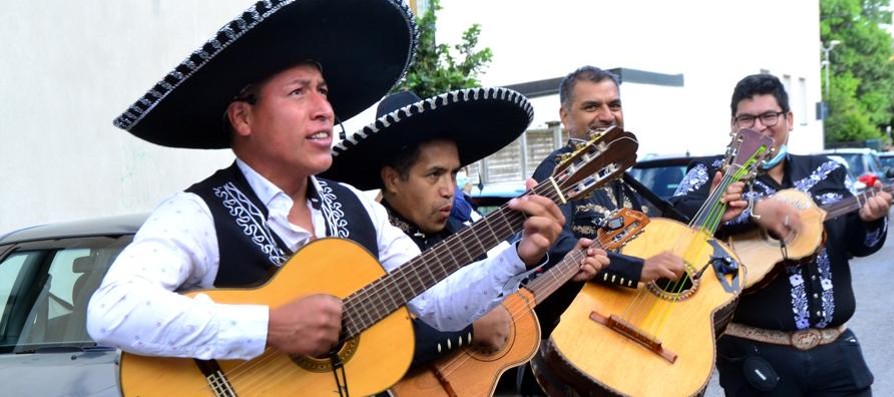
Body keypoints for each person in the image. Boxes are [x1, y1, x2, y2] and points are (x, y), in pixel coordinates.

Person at [87, 0, 565, 373]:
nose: (325, 110)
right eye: (299, 92)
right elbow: (113, 311)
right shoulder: (196, 214)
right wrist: (270, 327)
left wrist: (517, 255)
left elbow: (437, 305)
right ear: (243, 117)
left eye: (324, 92)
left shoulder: (357, 209)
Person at [329, 89, 609, 374]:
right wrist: (465, 331)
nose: (449, 190)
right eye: (434, 174)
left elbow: (522, 321)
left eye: (453, 174)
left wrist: (569, 276)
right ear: (392, 180)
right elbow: (357, 347)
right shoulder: (362, 243)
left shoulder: (469, 231)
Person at [672, 73, 892, 396]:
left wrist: (872, 221)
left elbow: (860, 244)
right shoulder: (709, 174)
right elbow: (675, 219)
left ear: (788, 119)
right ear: (733, 125)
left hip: (837, 355)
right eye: (747, 118)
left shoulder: (828, 171)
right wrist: (755, 209)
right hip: (757, 357)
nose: (759, 126)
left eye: (769, 116)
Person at [521, 65, 701, 395]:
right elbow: (557, 246)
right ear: (565, 116)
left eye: (614, 105)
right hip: (568, 355)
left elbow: (666, 231)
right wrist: (639, 269)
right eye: (592, 106)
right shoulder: (557, 170)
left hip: (618, 347)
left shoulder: (623, 176)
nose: (607, 115)